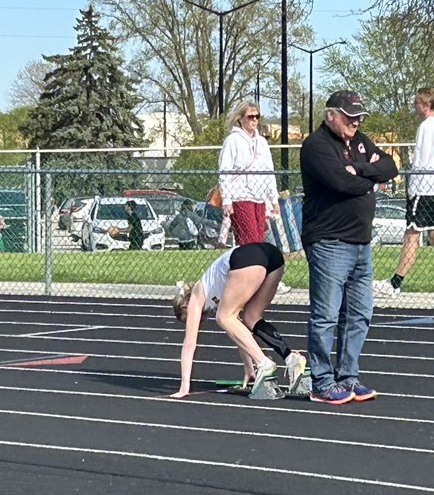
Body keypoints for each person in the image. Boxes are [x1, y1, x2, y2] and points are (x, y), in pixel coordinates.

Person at [300, 90, 398, 405]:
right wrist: (368, 178)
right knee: (326, 315)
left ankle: (348, 377)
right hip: (329, 242)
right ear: (331, 115)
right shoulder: (316, 146)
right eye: (349, 116)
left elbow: (390, 166)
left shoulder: (359, 141)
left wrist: (362, 169)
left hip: (360, 242)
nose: (355, 122)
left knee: (359, 313)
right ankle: (322, 382)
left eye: (358, 117)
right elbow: (342, 183)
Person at [169, 242, 307, 399]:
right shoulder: (215, 294)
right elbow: (239, 332)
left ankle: (264, 364)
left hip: (247, 258)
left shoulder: (196, 296)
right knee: (251, 317)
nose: (200, 320)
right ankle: (291, 359)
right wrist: (249, 369)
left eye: (189, 319)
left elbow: (189, 343)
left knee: (223, 317)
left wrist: (184, 387)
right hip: (272, 257)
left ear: (184, 307)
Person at [374, 87, 434, 299]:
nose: (414, 105)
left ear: (426, 105)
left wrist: (413, 188)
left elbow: (422, 161)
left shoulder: (427, 126)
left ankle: (395, 283)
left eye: (417, 102)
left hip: (425, 188)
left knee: (411, 234)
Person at [218, 101, 280, 246]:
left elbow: (269, 172)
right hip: (241, 197)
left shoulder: (262, 142)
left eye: (257, 116)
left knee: (258, 241)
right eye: (250, 116)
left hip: (260, 198)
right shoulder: (232, 141)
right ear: (240, 119)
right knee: (248, 241)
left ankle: (253, 267)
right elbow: (225, 171)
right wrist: (226, 200)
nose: (254, 120)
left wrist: (274, 199)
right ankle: (247, 267)